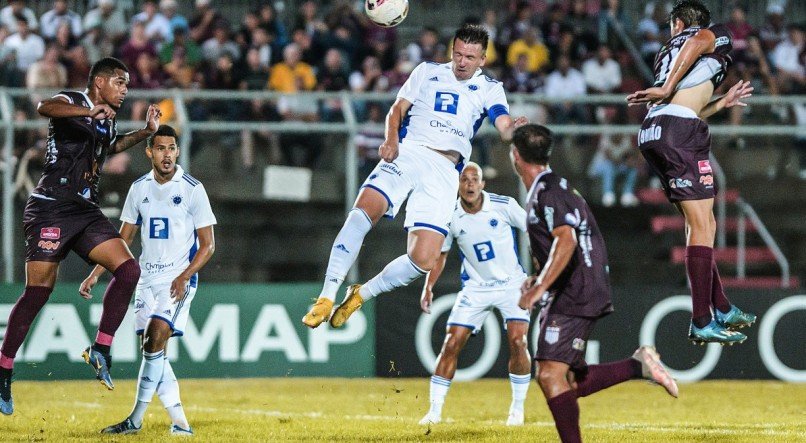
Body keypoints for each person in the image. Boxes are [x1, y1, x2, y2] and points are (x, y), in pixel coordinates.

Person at [302, 25, 528, 328]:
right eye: (458, 54)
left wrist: (514, 130)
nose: (461, 62)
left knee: (423, 260)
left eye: (469, 57)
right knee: (361, 213)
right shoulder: (427, 71)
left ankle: (361, 294)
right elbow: (397, 109)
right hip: (409, 151)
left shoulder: (490, 87)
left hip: (446, 171)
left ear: (482, 59)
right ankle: (326, 295)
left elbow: (502, 124)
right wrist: (391, 138)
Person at [0, 57, 162, 416]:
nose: (124, 90)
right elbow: (44, 106)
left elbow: (112, 146)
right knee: (38, 292)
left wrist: (146, 133)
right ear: (100, 82)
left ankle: (101, 348)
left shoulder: (107, 116)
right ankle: (3, 367)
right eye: (120, 83)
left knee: (129, 271)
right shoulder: (73, 100)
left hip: (85, 211)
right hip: (51, 207)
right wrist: (88, 113)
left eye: (126, 84)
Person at [511, 124, 679, 443]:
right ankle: (637, 366)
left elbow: (567, 241)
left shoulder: (549, 191)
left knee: (549, 373)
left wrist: (538, 288)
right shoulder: (550, 188)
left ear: (515, 156)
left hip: (574, 289)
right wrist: (541, 276)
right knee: (567, 379)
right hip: (578, 284)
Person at [626, 0, 756, 344]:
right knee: (702, 224)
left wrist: (720, 103)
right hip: (678, 132)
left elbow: (689, 106)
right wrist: (668, 87)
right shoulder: (707, 36)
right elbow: (698, 44)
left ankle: (721, 306)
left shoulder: (669, 54)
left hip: (657, 129)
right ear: (685, 23)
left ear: (675, 24)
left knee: (702, 224)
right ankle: (702, 319)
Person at [80, 125, 216, 435]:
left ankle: (136, 419)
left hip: (176, 280)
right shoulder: (139, 188)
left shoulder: (192, 188)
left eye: (171, 148)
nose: (166, 154)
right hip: (146, 279)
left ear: (178, 152)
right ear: (149, 152)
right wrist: (96, 272)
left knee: (155, 337)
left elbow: (208, 245)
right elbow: (123, 237)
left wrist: (185, 276)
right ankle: (180, 423)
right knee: (154, 350)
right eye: (160, 149)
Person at [418, 162, 531, 427]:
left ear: (483, 184)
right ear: (457, 185)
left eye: (474, 179)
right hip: (476, 288)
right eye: (464, 180)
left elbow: (533, 229)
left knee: (519, 342)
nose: (469, 184)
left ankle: (517, 408)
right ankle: (434, 411)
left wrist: (539, 269)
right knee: (451, 343)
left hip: (512, 284)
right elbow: (440, 254)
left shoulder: (504, 205)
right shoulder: (450, 215)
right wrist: (428, 286)